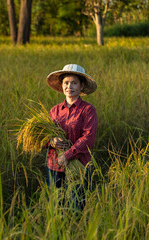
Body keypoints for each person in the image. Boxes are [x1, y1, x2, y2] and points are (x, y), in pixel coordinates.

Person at [45, 64, 98, 211]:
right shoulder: (54, 111)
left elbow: (88, 138)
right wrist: (52, 141)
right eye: (66, 83)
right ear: (62, 86)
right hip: (54, 165)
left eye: (74, 83)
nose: (70, 86)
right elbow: (43, 137)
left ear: (81, 86)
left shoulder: (88, 110)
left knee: (76, 207)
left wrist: (67, 155)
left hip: (79, 166)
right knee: (56, 207)